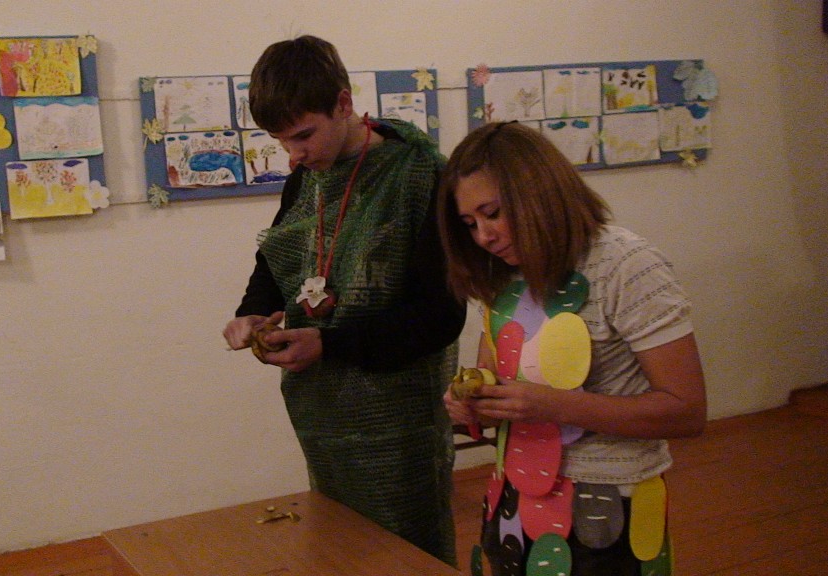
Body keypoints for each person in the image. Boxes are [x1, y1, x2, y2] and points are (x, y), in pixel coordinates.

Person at [222, 35, 467, 565]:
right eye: (280, 142)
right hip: (324, 412)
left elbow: (440, 317)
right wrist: (252, 311)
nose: (294, 155)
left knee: (409, 552)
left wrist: (328, 344)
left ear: (343, 103)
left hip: (401, 418)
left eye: (303, 136)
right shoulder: (309, 176)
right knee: (345, 549)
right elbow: (278, 257)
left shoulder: (421, 175)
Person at [436, 121, 707, 576]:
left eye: (494, 213)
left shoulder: (627, 265)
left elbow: (687, 411)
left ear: (539, 193)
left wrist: (553, 405)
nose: (483, 236)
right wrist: (474, 404)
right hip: (514, 498)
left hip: (606, 506)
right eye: (470, 224)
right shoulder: (503, 274)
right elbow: (498, 386)